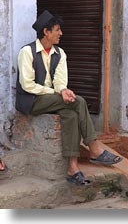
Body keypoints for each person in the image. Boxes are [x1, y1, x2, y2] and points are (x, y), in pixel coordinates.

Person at [15, 10, 122, 186]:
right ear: (46, 32)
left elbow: (60, 80)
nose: (61, 33)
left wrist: (63, 91)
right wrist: (57, 93)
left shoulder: (60, 53)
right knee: (79, 101)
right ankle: (94, 148)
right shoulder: (27, 52)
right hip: (31, 101)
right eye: (57, 30)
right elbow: (27, 85)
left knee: (71, 114)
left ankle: (73, 168)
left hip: (51, 99)